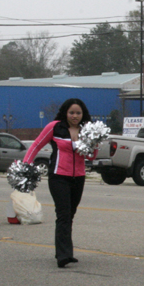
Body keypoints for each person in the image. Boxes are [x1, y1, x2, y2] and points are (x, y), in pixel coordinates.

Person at [24, 98, 97, 268]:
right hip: (58, 176)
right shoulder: (55, 127)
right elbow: (36, 145)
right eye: (71, 112)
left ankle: (63, 251)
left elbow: (91, 156)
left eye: (78, 113)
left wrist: (94, 143)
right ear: (65, 112)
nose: (74, 116)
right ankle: (64, 255)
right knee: (63, 214)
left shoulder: (87, 130)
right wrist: (26, 165)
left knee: (70, 214)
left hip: (78, 177)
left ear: (83, 114)